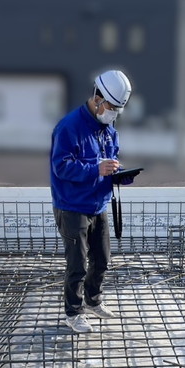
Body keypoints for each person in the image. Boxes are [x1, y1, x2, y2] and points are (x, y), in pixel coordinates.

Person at [50, 69, 135, 333]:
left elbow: (110, 161)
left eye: (118, 109)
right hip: (73, 207)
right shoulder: (69, 127)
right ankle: (73, 312)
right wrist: (96, 169)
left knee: (102, 259)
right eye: (112, 107)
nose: (114, 113)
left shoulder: (108, 129)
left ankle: (93, 300)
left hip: (98, 204)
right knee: (77, 264)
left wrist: (119, 174)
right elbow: (61, 167)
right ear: (98, 98)